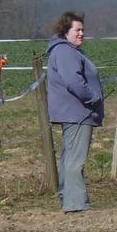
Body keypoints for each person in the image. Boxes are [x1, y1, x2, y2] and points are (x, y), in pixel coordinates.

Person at [46, 12, 104, 213]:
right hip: (78, 113)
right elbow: (74, 82)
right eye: (77, 30)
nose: (81, 33)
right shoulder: (65, 52)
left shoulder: (66, 51)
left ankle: (69, 199)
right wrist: (93, 98)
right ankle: (76, 204)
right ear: (65, 32)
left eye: (82, 29)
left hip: (75, 113)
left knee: (70, 157)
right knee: (75, 160)